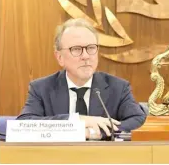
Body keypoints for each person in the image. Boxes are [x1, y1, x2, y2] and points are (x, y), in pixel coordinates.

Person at [17, 18, 146, 140]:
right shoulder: (41, 88)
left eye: (91, 48)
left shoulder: (118, 88)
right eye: (76, 49)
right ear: (59, 57)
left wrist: (95, 132)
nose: (85, 56)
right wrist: (77, 121)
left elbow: (139, 121)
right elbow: (24, 124)